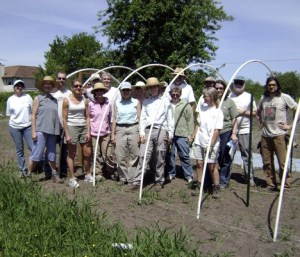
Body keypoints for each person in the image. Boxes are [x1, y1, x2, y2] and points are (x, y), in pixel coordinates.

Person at [130, 77, 173, 190]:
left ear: (158, 87)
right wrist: (142, 133)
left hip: (161, 129)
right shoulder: (146, 102)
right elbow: (143, 118)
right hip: (148, 130)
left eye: (155, 86)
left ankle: (159, 180)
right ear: (148, 89)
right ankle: (137, 181)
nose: (153, 89)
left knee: (160, 155)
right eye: (151, 87)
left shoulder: (165, 100)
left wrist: (170, 133)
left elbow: (169, 118)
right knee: (143, 155)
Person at [257, 76, 297, 189]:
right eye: (269, 85)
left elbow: (297, 110)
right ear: (267, 86)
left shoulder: (284, 97)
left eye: (274, 85)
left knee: (282, 162)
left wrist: (290, 125)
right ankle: (270, 183)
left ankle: (286, 184)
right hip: (265, 135)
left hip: (279, 135)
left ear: (277, 85)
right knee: (267, 162)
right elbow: (258, 111)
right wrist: (260, 121)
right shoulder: (264, 99)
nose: (271, 87)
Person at [28, 76, 63, 183]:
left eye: (50, 84)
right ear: (43, 86)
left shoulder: (55, 100)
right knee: (37, 153)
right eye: (46, 83)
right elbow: (33, 115)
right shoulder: (38, 98)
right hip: (40, 130)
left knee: (52, 153)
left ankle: (54, 175)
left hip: (52, 131)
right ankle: (28, 175)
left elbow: (56, 116)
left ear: (52, 86)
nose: (48, 85)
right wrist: (33, 131)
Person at [191, 87, 223, 198]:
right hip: (199, 140)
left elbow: (217, 130)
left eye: (205, 96)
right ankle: (199, 185)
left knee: (212, 166)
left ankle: (216, 187)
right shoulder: (202, 108)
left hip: (211, 143)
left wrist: (211, 144)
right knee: (199, 164)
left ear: (212, 97)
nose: (203, 98)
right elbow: (198, 124)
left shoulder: (218, 112)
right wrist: (193, 136)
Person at [63, 79, 92, 188]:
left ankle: (88, 174)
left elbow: (88, 116)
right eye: (76, 86)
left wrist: (88, 131)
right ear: (72, 87)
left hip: (83, 126)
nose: (78, 87)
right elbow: (64, 118)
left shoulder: (85, 100)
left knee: (87, 153)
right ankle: (72, 178)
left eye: (80, 86)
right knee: (72, 153)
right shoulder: (67, 101)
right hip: (72, 127)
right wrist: (67, 133)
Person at [111, 82, 141, 184]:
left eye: (128, 90)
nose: (126, 92)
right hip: (120, 128)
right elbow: (114, 119)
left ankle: (132, 177)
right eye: (124, 90)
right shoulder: (117, 103)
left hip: (133, 128)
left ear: (131, 91)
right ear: (121, 91)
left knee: (135, 153)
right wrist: (113, 135)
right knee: (120, 154)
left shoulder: (136, 102)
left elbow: (140, 118)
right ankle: (123, 177)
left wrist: (141, 133)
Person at [229, 75, 257, 186]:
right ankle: (226, 176)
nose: (238, 85)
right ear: (234, 84)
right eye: (236, 83)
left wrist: (243, 112)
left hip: (245, 130)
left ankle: (249, 177)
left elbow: (255, 113)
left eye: (241, 83)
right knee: (229, 154)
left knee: (246, 154)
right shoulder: (230, 96)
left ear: (244, 85)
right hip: (231, 131)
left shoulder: (249, 97)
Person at [215, 80, 239, 189]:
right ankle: (213, 178)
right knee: (215, 156)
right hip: (214, 132)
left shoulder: (229, 102)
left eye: (221, 88)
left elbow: (235, 118)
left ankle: (223, 181)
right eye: (217, 88)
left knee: (225, 157)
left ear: (224, 89)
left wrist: (233, 133)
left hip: (226, 131)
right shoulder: (212, 100)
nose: (219, 90)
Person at [6, 80, 33, 176]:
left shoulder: (28, 97)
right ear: (14, 87)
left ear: (23, 87)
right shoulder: (10, 99)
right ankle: (23, 169)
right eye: (17, 85)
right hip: (15, 127)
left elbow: (33, 111)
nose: (19, 87)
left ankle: (32, 167)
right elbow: (9, 114)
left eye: (21, 85)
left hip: (28, 126)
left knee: (33, 148)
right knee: (19, 149)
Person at [167, 87, 194, 183]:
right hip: (170, 134)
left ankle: (188, 175)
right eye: (173, 94)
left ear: (180, 95)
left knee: (184, 155)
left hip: (182, 133)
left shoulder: (185, 105)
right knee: (170, 154)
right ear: (170, 94)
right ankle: (171, 173)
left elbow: (190, 120)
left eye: (177, 94)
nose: (175, 96)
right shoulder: (167, 104)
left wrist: (190, 134)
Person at [49, 71, 72, 177]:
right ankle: (49, 170)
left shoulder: (69, 93)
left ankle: (63, 171)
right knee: (50, 149)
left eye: (63, 78)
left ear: (65, 80)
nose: (61, 80)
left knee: (64, 150)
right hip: (53, 126)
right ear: (56, 79)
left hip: (65, 126)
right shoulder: (52, 93)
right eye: (59, 78)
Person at [88, 82, 112, 180]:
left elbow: (111, 118)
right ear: (94, 93)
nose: (99, 92)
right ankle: (98, 172)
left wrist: (111, 132)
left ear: (103, 91)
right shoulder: (91, 104)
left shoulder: (108, 103)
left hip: (106, 133)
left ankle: (111, 170)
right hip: (94, 133)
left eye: (101, 90)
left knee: (107, 153)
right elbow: (88, 118)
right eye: (97, 91)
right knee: (96, 154)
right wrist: (88, 132)